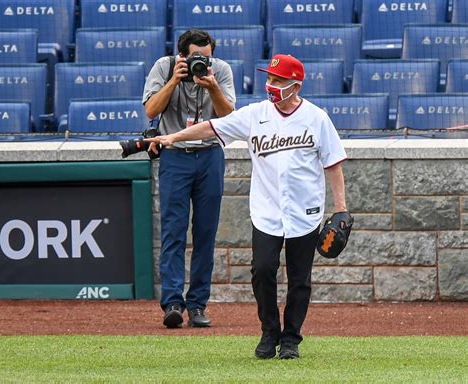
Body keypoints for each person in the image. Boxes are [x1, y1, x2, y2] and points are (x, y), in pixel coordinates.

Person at [146, 54, 348, 359]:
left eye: (278, 81)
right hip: (266, 211)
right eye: (269, 79)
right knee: (262, 270)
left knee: (299, 279)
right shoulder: (255, 114)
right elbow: (210, 128)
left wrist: (342, 209)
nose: (271, 85)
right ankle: (269, 332)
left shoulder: (317, 118)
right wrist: (171, 137)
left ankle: (291, 339)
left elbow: (333, 164)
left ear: (296, 85)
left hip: (305, 212)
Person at [142, 29, 236, 328]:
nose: (202, 63)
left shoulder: (220, 71)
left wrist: (212, 87)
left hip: (209, 155)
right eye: (196, 58)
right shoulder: (164, 66)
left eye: (206, 58)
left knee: (206, 234)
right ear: (182, 55)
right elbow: (150, 110)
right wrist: (174, 79)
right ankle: (172, 303)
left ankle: (197, 304)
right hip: (175, 155)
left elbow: (228, 117)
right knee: (173, 231)